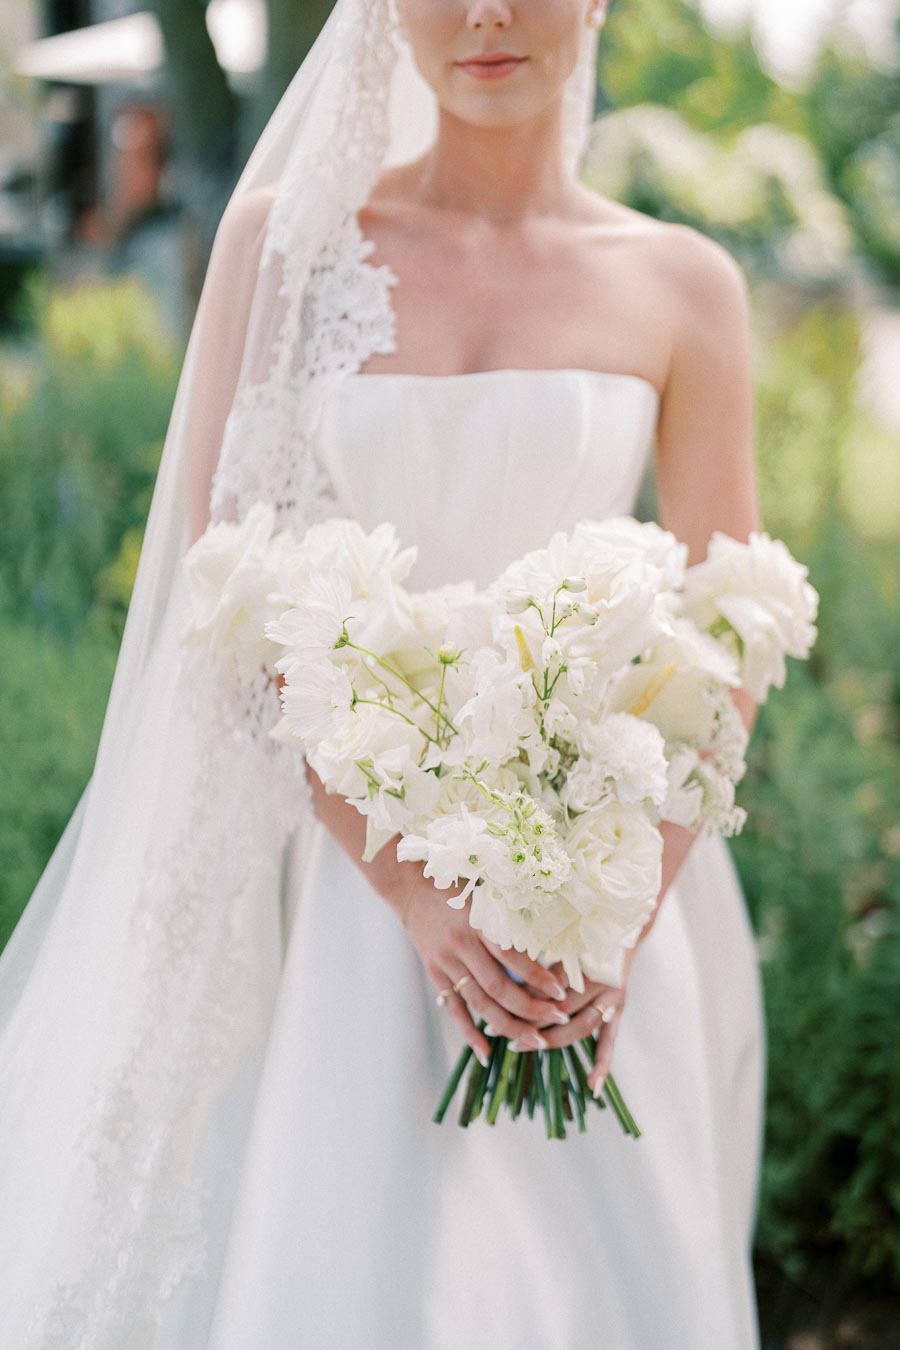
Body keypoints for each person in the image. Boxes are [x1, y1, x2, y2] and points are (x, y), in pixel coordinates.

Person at [0, 1, 766, 1346]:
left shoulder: (685, 284)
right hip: (346, 894)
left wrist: (605, 917)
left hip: (593, 919)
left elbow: (732, 631)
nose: (483, 16)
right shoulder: (284, 243)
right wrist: (413, 887)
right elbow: (229, 611)